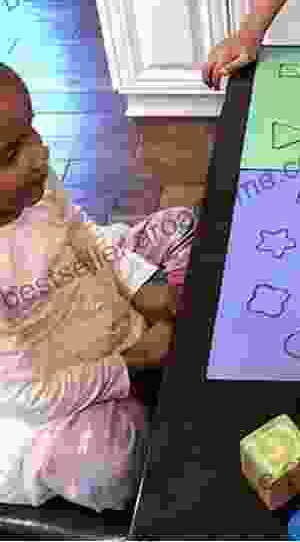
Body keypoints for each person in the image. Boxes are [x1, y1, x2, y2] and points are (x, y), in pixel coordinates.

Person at [0, 62, 200, 511]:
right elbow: (30, 394)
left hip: (99, 308)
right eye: (11, 154)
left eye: (31, 131)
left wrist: (137, 281)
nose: (40, 153)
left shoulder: (35, 185)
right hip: (52, 397)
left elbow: (84, 232)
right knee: (108, 468)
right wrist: (133, 363)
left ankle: (165, 374)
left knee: (180, 223)